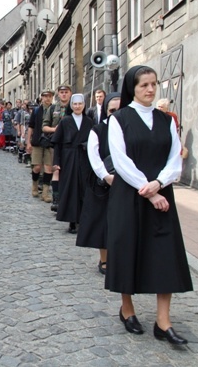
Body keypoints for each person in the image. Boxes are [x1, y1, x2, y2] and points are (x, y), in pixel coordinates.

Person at [106, 65, 192, 345]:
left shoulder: (166, 120)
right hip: (130, 195)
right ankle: (127, 309)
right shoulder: (120, 119)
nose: (151, 89)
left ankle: (163, 322)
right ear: (133, 87)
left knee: (164, 254)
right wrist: (149, 189)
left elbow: (174, 158)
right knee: (127, 250)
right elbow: (121, 161)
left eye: (154, 84)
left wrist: (160, 184)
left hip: (161, 194)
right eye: (144, 85)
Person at [77, 92, 121, 275]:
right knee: (104, 223)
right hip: (103, 183)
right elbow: (93, 157)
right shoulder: (98, 129)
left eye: (120, 110)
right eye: (112, 110)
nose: (116, 114)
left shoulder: (129, 128)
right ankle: (104, 259)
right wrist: (106, 176)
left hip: (128, 183)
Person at [52, 93, 94, 234]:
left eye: (80, 104)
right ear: (71, 106)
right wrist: (56, 162)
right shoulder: (65, 121)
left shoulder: (89, 122)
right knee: (70, 188)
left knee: (84, 188)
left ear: (84, 105)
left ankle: (83, 219)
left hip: (84, 158)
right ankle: (71, 220)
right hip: (68, 157)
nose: (77, 106)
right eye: (75, 104)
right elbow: (57, 143)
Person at [42, 84, 73, 211]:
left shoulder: (76, 106)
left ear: (70, 93)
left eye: (66, 92)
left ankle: (69, 198)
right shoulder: (53, 108)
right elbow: (44, 127)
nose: (64, 94)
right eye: (62, 92)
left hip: (71, 143)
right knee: (56, 169)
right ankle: (56, 199)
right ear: (58, 94)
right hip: (56, 143)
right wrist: (55, 129)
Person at [27, 90, 55, 201]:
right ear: (41, 98)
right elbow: (31, 126)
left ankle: (45, 193)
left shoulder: (55, 110)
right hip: (37, 141)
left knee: (48, 167)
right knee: (37, 167)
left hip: (49, 143)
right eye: (45, 96)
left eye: (49, 96)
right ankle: (35, 185)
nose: (47, 98)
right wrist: (28, 142)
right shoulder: (36, 111)